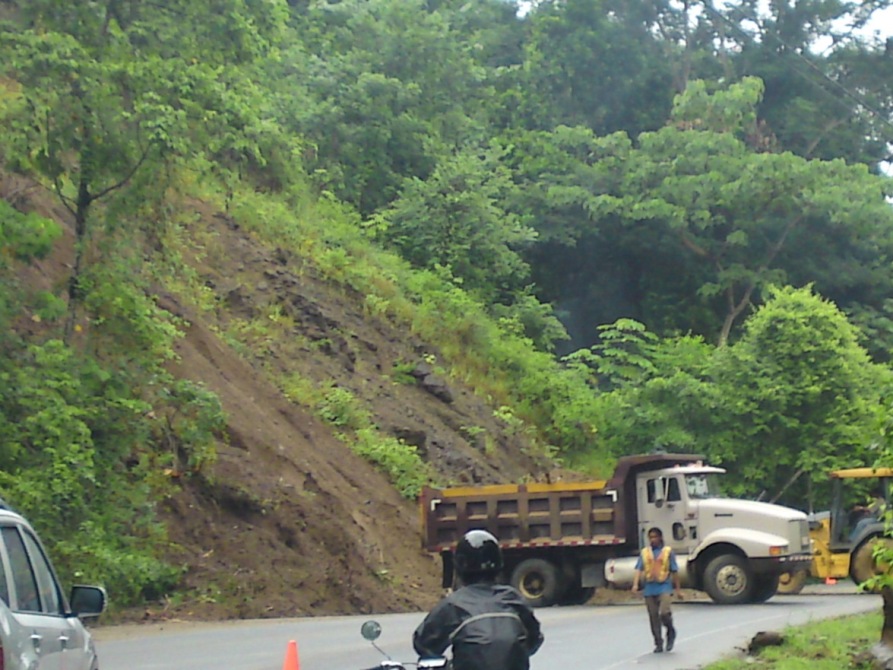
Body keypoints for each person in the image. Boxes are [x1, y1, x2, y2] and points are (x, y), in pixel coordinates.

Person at [413, 529, 544, 670]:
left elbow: (424, 644)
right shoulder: (513, 598)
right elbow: (535, 638)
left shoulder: (453, 604)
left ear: (459, 565)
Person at [632, 526, 682, 654]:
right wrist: (635, 585)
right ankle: (658, 643)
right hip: (649, 588)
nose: (653, 540)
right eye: (651, 537)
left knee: (664, 612)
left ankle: (670, 630)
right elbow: (638, 569)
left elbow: (675, 571)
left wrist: (678, 590)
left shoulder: (667, 552)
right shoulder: (645, 552)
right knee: (653, 617)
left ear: (660, 538)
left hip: (664, 586)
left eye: (655, 537)